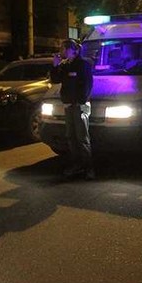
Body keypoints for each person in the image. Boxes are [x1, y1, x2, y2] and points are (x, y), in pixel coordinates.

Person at [48, 39, 95, 180]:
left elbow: (87, 85)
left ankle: (89, 168)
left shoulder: (82, 65)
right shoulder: (65, 66)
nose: (60, 51)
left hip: (80, 106)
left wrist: (79, 102)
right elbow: (55, 80)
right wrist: (55, 66)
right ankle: (76, 165)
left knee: (82, 138)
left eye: (63, 48)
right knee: (71, 137)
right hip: (68, 106)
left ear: (72, 50)